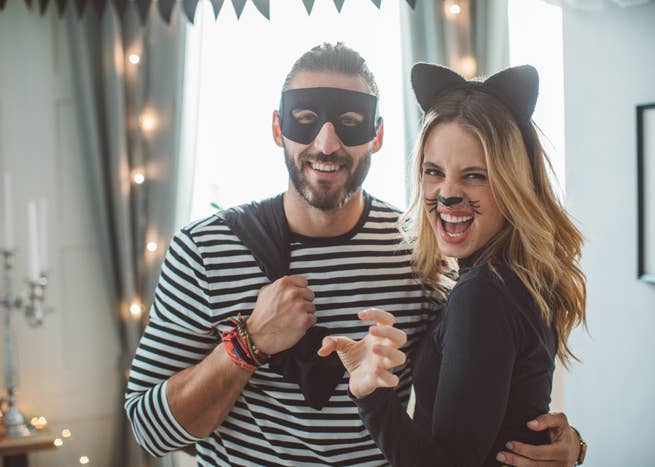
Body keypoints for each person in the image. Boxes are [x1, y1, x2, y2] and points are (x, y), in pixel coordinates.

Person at [125, 43, 584, 466]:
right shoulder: (204, 249)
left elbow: (487, 379)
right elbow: (149, 430)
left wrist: (563, 446)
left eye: (350, 123)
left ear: (378, 136)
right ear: (276, 127)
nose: (326, 144)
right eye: (304, 118)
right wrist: (248, 343)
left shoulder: (422, 246)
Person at [318, 62, 588, 467]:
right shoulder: (523, 277)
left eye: (474, 176)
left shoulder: (484, 292)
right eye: (433, 172)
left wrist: (369, 392)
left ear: (514, 183)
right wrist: (577, 447)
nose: (446, 195)